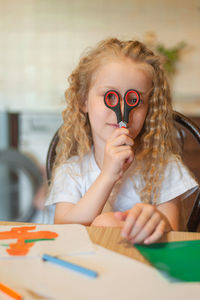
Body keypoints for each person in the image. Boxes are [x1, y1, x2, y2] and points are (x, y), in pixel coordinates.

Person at [45, 38, 198, 244]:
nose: (123, 113)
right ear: (83, 101)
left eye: (135, 100)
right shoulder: (71, 172)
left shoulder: (164, 168)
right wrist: (108, 175)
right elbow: (63, 231)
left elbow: (174, 237)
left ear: (149, 109)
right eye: (110, 96)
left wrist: (158, 221)